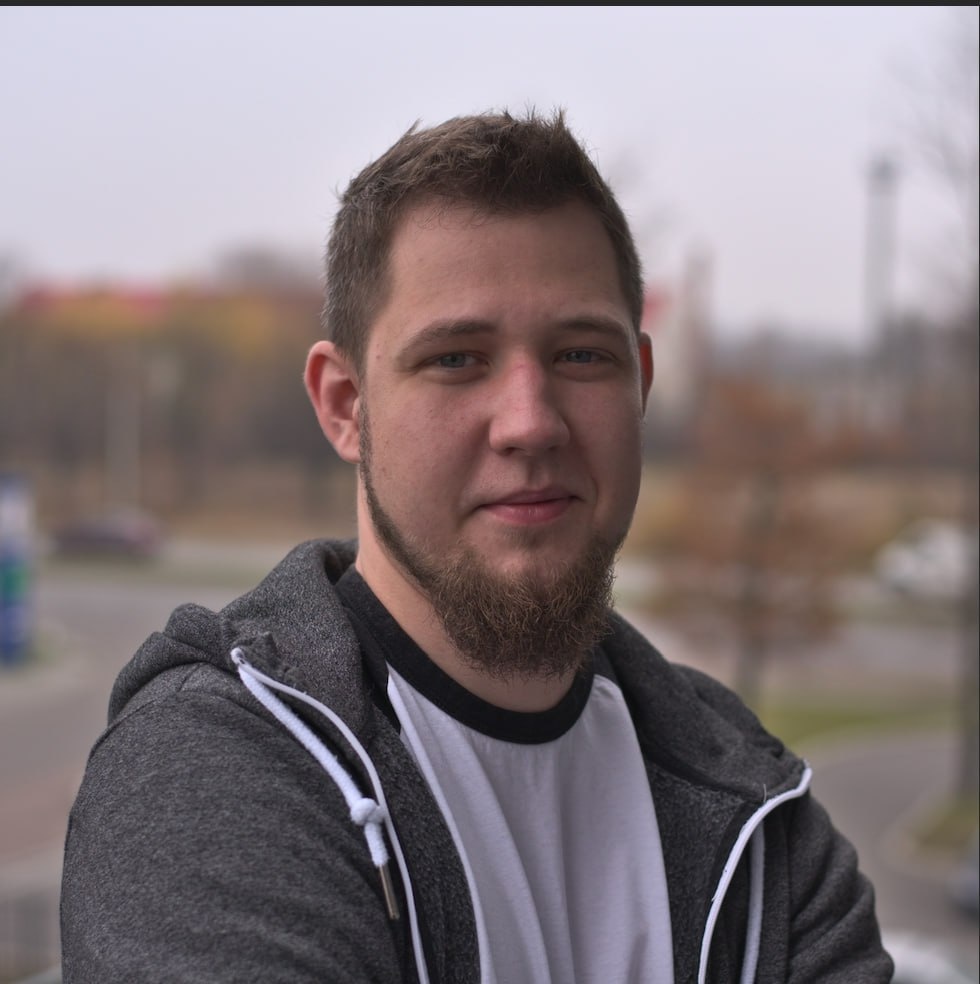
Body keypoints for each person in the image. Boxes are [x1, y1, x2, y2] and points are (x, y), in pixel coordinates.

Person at [60, 108, 893, 983]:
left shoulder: (754, 805)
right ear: (345, 405)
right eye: (456, 359)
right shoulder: (211, 775)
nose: (530, 422)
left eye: (581, 355)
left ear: (640, 387)